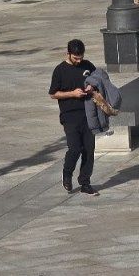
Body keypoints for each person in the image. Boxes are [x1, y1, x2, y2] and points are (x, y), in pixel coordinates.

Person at [48, 39, 99, 196]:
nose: (79, 61)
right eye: (76, 58)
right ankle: (67, 173)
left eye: (81, 57)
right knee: (75, 148)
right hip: (70, 115)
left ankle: (85, 182)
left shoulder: (87, 65)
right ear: (68, 54)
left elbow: (98, 80)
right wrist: (72, 94)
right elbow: (53, 94)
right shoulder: (60, 70)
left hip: (88, 113)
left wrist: (91, 86)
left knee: (89, 149)